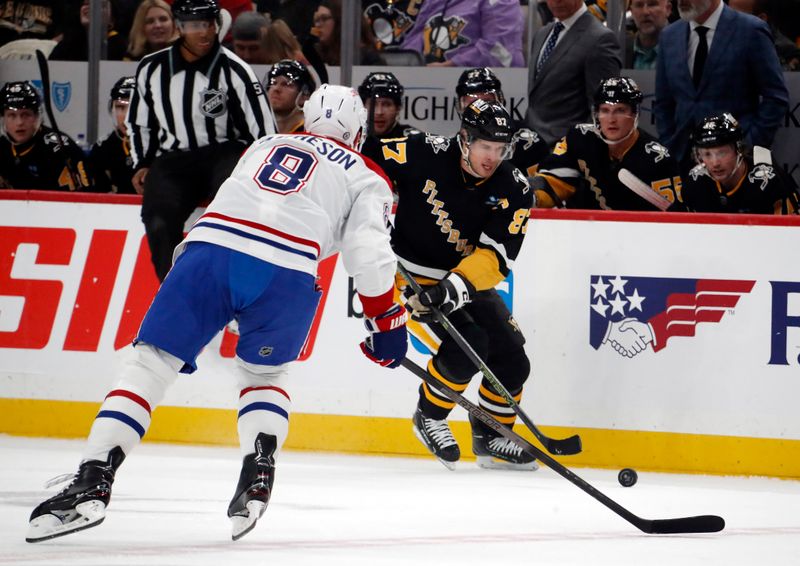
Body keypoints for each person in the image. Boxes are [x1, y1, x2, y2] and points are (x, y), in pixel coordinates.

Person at [25, 84, 409, 544]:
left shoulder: (264, 144)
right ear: (357, 130)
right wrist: (387, 322)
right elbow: (367, 254)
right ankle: (259, 470)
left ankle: (93, 479)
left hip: (214, 248)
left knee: (149, 363)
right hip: (288, 273)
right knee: (265, 376)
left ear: (306, 119)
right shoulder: (369, 175)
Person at [365, 100, 536, 471]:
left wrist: (451, 288)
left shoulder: (514, 187)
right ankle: (429, 415)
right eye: (485, 146)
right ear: (464, 139)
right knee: (470, 345)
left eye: (499, 149)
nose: (492, 157)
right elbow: (366, 158)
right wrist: (368, 207)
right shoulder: (423, 150)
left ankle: (492, 436)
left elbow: (496, 258)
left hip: (462, 280)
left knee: (512, 359)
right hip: (408, 275)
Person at [126, 0, 275, 281]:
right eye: (195, 26)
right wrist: (141, 162)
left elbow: (264, 130)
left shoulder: (235, 70)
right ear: (180, 28)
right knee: (157, 219)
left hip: (223, 153)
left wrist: (263, 174)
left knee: (229, 214)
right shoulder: (152, 68)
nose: (204, 33)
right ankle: (174, 288)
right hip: (174, 159)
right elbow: (139, 121)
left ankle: (227, 283)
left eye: (208, 24)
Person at [653, 0, 789, 167]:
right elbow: (663, 102)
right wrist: (670, 144)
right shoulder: (669, 35)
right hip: (683, 159)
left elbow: (775, 97)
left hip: (736, 161)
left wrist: (748, 146)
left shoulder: (750, 30)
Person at [533, 77, 683, 211]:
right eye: (605, 110)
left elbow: (672, 219)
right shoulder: (580, 139)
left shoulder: (658, 160)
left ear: (634, 114)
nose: (611, 119)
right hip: (583, 233)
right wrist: (531, 197)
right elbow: (553, 182)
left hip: (636, 237)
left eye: (620, 110)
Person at [525, 0, 621, 147]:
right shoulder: (542, 34)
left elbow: (603, 110)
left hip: (568, 152)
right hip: (531, 146)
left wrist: (577, 152)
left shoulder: (600, 38)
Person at [682, 113, 799, 214]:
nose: (715, 163)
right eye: (707, 154)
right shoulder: (695, 182)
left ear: (739, 150)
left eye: (722, 153)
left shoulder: (770, 182)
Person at [455, 67, 550, 178]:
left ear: (501, 101)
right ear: (460, 107)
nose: (481, 109)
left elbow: (540, 187)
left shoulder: (528, 143)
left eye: (487, 101)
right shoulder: (455, 145)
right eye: (473, 103)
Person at [0, 81, 94, 191]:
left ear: (36, 116)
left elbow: (82, 201)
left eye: (26, 114)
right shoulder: (2, 147)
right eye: (12, 115)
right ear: (3, 118)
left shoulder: (61, 150)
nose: (19, 122)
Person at [399, 0, 525, 67]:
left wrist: (450, 66)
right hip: (431, 83)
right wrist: (405, 61)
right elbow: (417, 36)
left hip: (485, 86)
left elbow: (500, 50)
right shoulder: (434, 2)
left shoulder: (502, 2)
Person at [87, 76, 136, 194]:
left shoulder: (165, 147)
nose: (126, 116)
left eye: (134, 107)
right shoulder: (103, 148)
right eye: (120, 107)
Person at [357, 71, 419, 157]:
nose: (379, 112)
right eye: (373, 104)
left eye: (386, 104)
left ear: (398, 108)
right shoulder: (352, 139)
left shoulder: (414, 141)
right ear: (363, 107)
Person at [312, 0, 385, 66]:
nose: (317, 25)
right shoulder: (317, 55)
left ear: (341, 20)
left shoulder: (369, 59)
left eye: (324, 18)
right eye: (316, 20)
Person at [49, 0, 127, 61]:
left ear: (112, 21)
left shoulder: (118, 43)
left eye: (101, 5)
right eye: (86, 3)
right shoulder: (68, 41)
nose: (91, 7)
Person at [265, 59, 315, 134]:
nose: (276, 89)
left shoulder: (309, 133)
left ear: (304, 95)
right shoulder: (259, 129)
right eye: (274, 83)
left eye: (286, 84)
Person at [625, 0, 672, 69]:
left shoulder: (684, 46)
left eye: (652, 4)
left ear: (668, 9)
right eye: (639, 5)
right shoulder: (620, 49)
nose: (645, 12)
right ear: (632, 12)